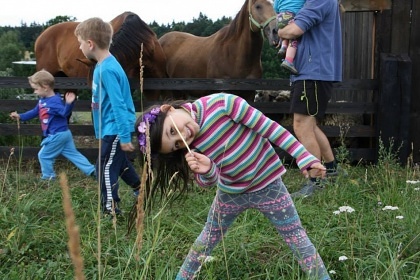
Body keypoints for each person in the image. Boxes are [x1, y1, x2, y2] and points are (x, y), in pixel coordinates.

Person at [135, 93, 331, 279]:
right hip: (230, 194)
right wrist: (209, 170)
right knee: (205, 241)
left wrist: (303, 156)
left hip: (269, 186)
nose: (183, 138)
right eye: (176, 145)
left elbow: (270, 129)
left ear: (168, 108)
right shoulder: (191, 146)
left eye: (173, 131)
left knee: (297, 237)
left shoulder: (222, 105)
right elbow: (206, 182)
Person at [277, 0, 345, 198]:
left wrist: (279, 30)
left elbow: (293, 30)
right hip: (310, 71)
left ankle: (316, 182)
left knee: (302, 125)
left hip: (312, 71)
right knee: (310, 124)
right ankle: (331, 170)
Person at [74, 17, 141, 216]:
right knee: (118, 163)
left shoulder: (108, 70)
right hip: (110, 128)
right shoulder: (103, 66)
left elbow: (119, 105)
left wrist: (125, 136)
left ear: (90, 43)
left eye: (79, 42)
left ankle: (110, 207)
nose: (79, 48)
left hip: (115, 128)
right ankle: (140, 188)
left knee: (104, 167)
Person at [9, 70, 95, 180]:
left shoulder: (54, 102)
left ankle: (48, 178)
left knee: (44, 155)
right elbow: (35, 111)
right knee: (74, 155)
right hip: (63, 134)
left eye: (36, 89)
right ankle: (92, 171)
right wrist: (20, 116)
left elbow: (64, 113)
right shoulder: (43, 100)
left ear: (45, 87)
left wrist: (68, 104)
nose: (35, 92)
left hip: (57, 134)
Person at [274, 0, 306, 75]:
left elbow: (275, 7)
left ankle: (283, 47)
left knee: (285, 32)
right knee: (293, 38)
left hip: (280, 17)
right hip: (292, 15)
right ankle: (288, 60)